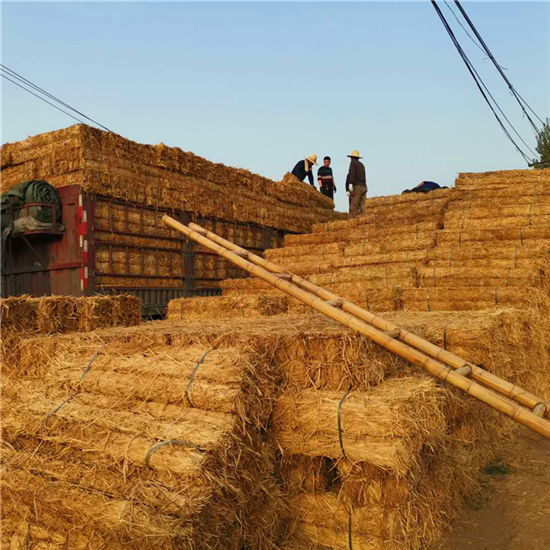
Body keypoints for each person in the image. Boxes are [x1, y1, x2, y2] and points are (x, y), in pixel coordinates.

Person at [345, 149, 367, 216]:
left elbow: (352, 174)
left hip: (357, 187)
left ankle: (353, 220)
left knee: (354, 206)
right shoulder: (362, 165)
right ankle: (365, 219)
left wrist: (351, 183)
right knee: (363, 207)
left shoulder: (353, 163)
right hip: (364, 187)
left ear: (352, 158)